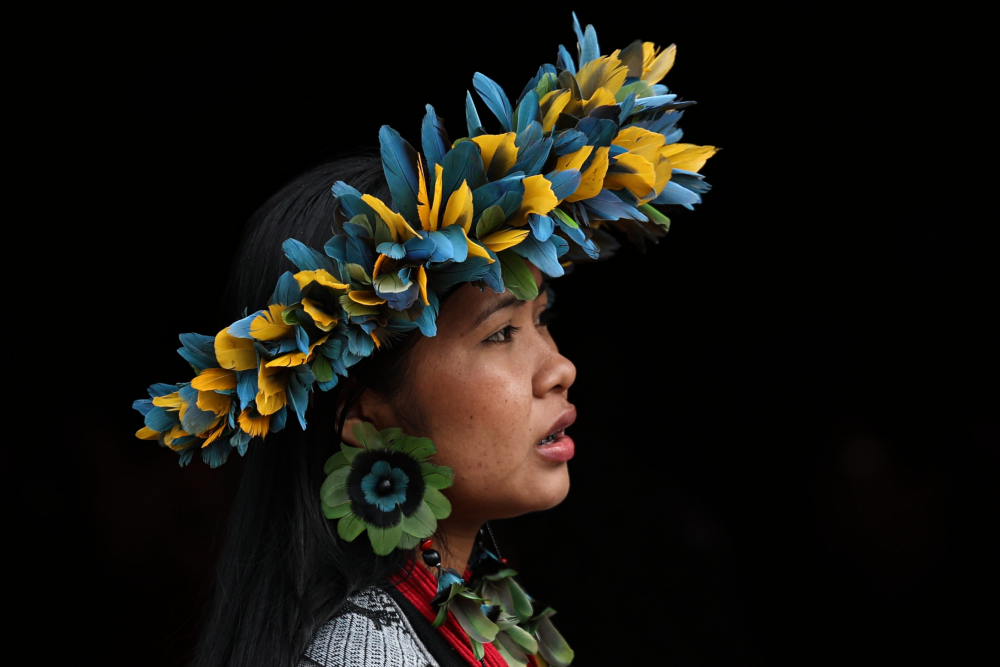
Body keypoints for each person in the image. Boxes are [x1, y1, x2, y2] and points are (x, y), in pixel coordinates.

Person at [132, 14, 716, 667]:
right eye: (500, 333)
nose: (559, 368)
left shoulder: (475, 613)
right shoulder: (366, 654)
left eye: (541, 319)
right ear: (361, 413)